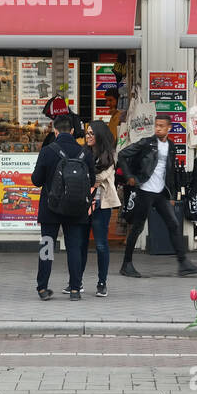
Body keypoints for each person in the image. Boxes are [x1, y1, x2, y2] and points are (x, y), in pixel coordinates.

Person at [117, 113, 197, 278]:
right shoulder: (146, 143)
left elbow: (169, 172)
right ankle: (126, 264)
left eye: (161, 126)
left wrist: (171, 195)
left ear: (169, 128)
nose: (158, 128)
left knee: (173, 224)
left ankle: (183, 264)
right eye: (156, 125)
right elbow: (122, 154)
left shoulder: (171, 146)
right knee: (137, 227)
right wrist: (130, 176)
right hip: (144, 190)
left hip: (160, 193)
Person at [31, 114, 96, 300]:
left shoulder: (47, 151)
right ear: (73, 131)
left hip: (50, 208)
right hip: (76, 208)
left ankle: (43, 288)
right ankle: (75, 290)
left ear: (55, 131)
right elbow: (92, 180)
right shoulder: (84, 153)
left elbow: (36, 180)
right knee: (74, 247)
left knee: (47, 246)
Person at [83, 120, 120, 297]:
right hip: (83, 204)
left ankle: (102, 282)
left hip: (101, 205)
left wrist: (86, 176)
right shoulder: (83, 152)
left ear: (99, 135)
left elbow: (100, 176)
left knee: (101, 245)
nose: (88, 136)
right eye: (87, 133)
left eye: (91, 133)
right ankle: (76, 282)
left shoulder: (110, 155)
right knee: (80, 244)